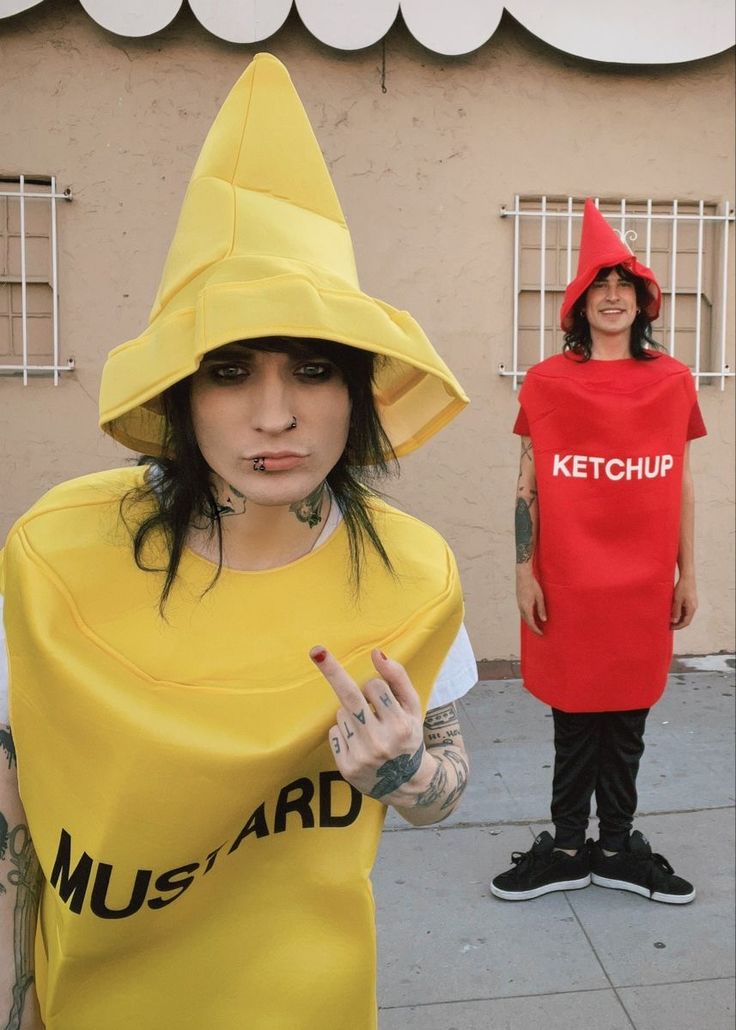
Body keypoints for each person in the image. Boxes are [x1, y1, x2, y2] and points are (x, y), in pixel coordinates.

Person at [0, 54, 476, 1029]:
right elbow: (16, 819)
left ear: (357, 392)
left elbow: (439, 790)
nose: (274, 414)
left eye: (311, 367)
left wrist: (402, 773)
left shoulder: (413, 575)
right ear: (180, 393)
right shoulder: (56, 560)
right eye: (227, 369)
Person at [491, 199, 706, 905]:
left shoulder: (671, 380)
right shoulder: (549, 380)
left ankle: (615, 846)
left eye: (624, 284)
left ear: (642, 300)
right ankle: (563, 847)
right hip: (568, 582)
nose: (612, 296)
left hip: (642, 584)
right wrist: (523, 571)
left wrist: (689, 572)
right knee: (574, 716)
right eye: (598, 284)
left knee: (629, 717)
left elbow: (679, 482)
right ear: (578, 303)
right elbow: (528, 479)